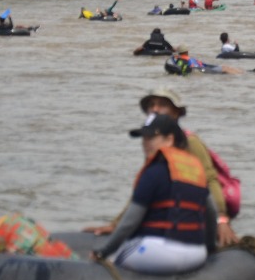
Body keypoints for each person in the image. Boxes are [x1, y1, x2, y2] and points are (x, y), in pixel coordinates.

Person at [86, 87, 239, 249]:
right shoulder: (154, 145)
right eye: (151, 105)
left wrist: (221, 219)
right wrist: (116, 223)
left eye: (162, 105)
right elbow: (142, 193)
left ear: (176, 113)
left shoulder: (190, 143)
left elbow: (210, 180)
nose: (155, 109)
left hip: (195, 220)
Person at [89, 112, 218, 274]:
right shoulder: (194, 170)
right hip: (197, 254)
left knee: (110, 259)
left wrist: (103, 252)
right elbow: (212, 212)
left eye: (151, 138)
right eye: (144, 138)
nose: (145, 143)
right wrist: (210, 248)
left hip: (160, 253)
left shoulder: (153, 172)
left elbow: (130, 222)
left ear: (170, 139)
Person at [167, 46, 243, 75]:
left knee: (225, 67)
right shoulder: (186, 59)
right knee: (225, 68)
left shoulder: (179, 59)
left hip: (203, 68)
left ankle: (242, 73)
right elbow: (194, 66)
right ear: (187, 51)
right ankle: (242, 74)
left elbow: (174, 60)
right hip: (203, 69)